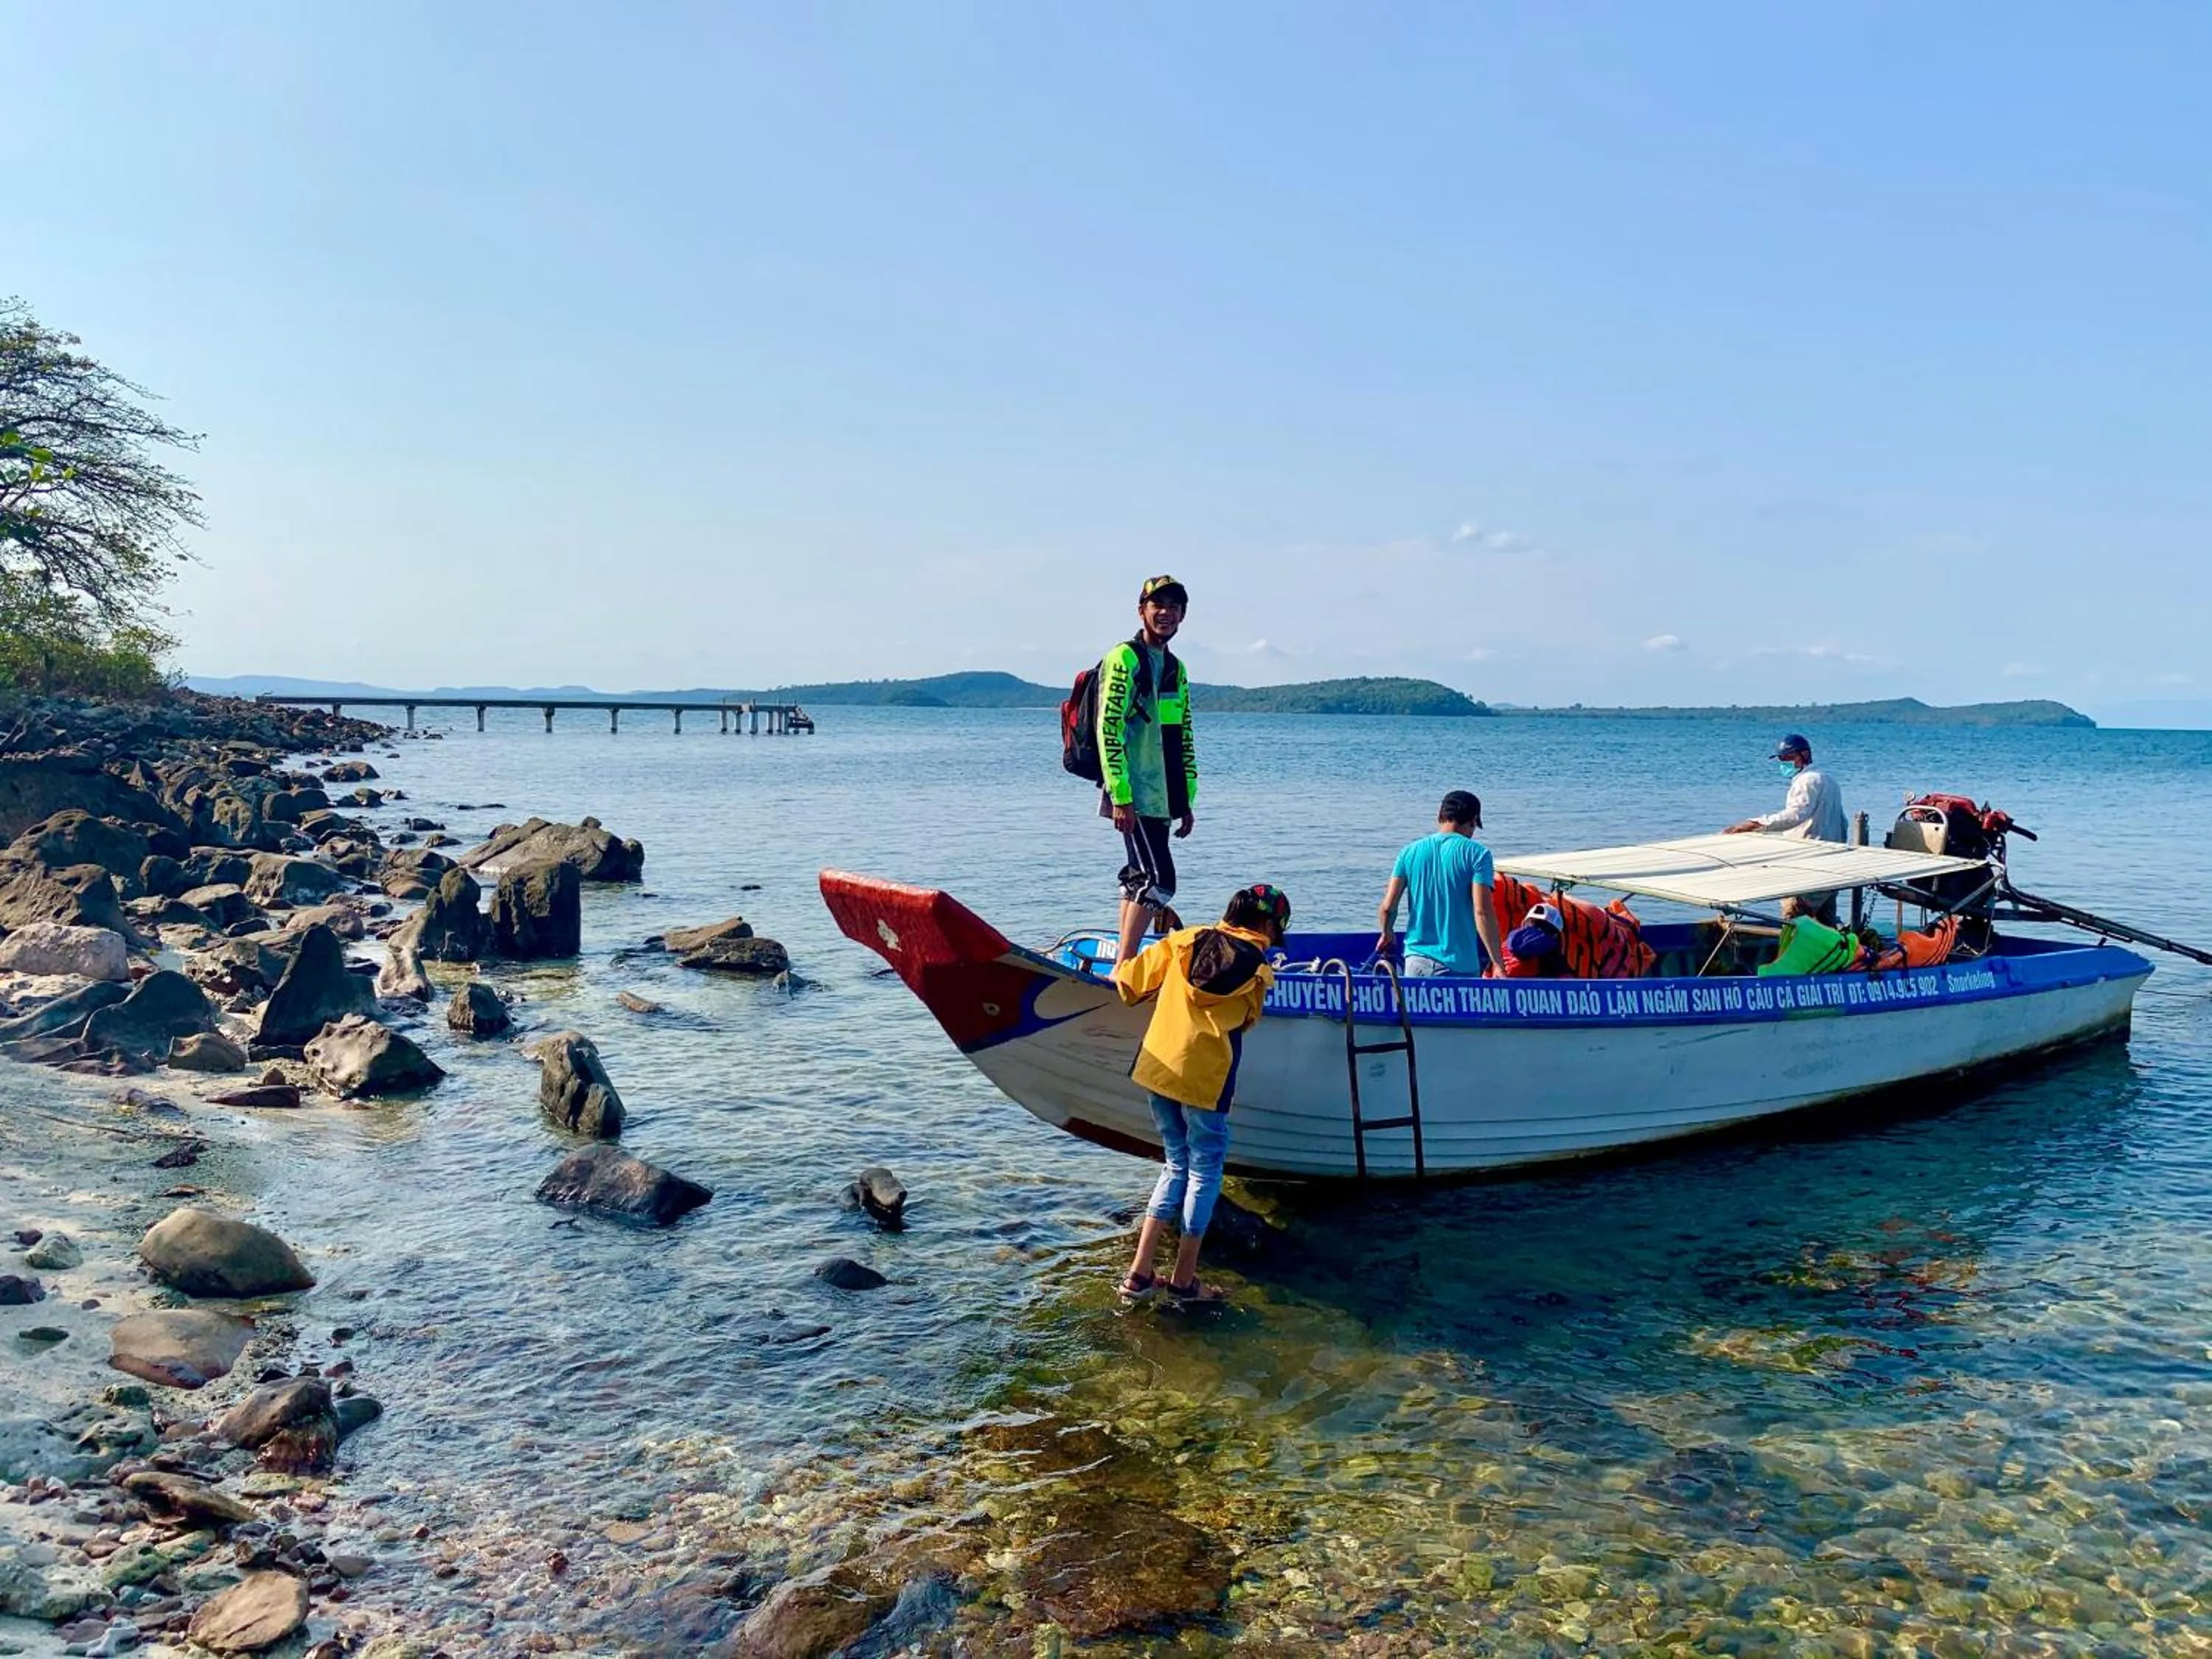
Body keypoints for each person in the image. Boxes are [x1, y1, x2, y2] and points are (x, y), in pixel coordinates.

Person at [1114, 883, 1288, 1306]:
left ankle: (1138, 1275)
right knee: (1204, 1171)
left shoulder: (1182, 940)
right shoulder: (1258, 970)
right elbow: (1247, 1022)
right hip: (1206, 1080)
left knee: (1175, 1164)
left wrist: (1123, 959)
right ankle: (1184, 1280)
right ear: (1266, 925)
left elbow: (1128, 984)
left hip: (1157, 1066)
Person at [1097, 574, 1199, 967]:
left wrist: (1185, 800)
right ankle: (1124, 966)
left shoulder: (1176, 668)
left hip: (1162, 796)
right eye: (1158, 605)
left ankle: (1122, 963)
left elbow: (1181, 736)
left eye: (1174, 607)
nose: (1166, 613)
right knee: (1161, 881)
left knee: (1139, 878)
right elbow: (1109, 729)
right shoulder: (1125, 658)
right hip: (1133, 793)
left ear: (1182, 616)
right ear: (1142, 610)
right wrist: (1120, 796)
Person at [1377, 789, 1504, 977]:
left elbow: (1388, 907)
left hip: (1415, 962)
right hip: (1459, 966)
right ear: (1473, 820)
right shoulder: (1478, 855)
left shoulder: (1409, 852)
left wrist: (1387, 933)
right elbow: (1482, 912)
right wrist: (1498, 964)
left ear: (1440, 816)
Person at [1723, 732, 1847, 922]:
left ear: (1804, 755)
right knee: (1827, 926)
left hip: (1810, 865)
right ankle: (1833, 952)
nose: (1785, 763)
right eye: (1782, 759)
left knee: (1793, 919)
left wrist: (1755, 824)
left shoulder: (1807, 781)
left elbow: (1794, 816)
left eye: (1789, 758)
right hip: (1832, 865)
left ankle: (1791, 951)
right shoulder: (1829, 780)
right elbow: (1842, 822)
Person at [1500, 901, 1568, 977]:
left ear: (1523, 924)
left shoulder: (1501, 948)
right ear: (1555, 935)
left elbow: (1486, 977)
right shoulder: (1551, 953)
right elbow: (1570, 984)